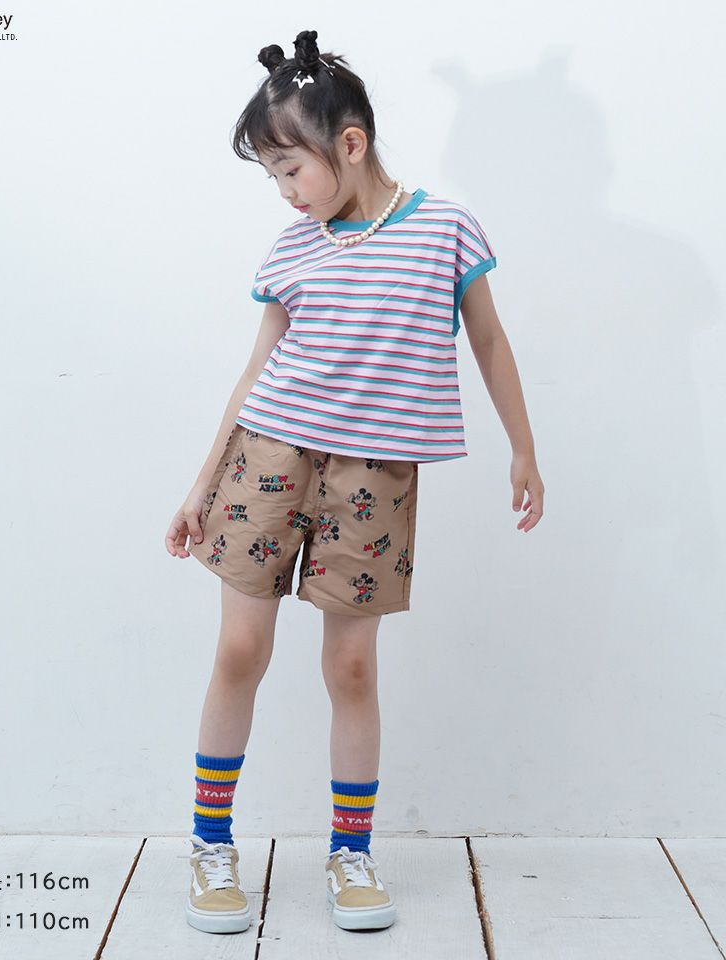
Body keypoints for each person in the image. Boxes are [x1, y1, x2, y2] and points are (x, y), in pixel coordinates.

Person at [165, 28, 545, 935]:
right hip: (268, 458)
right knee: (239, 652)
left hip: (376, 476)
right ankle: (210, 843)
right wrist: (200, 486)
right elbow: (256, 374)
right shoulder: (293, 249)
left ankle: (352, 851)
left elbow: (489, 339)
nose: (286, 192)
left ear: (350, 143)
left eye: (290, 169)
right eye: (273, 176)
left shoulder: (445, 229)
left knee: (352, 665)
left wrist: (523, 449)